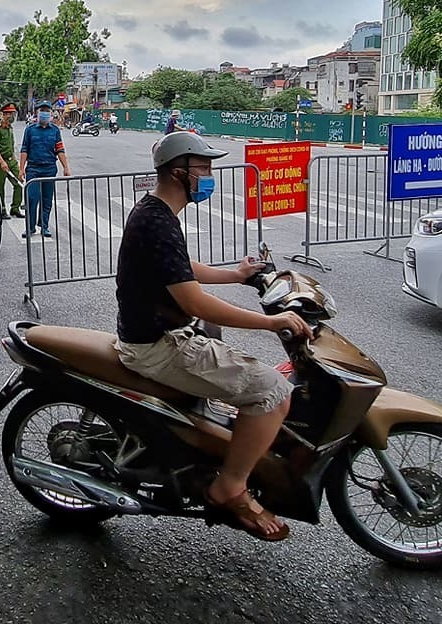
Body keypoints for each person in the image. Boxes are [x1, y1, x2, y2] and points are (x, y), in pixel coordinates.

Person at [114, 131, 308, 539]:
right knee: (274, 392)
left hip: (158, 332)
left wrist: (236, 275)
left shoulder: (157, 213)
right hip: (160, 345)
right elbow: (195, 303)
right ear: (177, 172)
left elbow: (180, 266)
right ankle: (229, 486)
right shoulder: (157, 222)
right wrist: (272, 322)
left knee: (227, 351)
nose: (209, 176)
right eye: (203, 168)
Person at [19, 101, 70, 238]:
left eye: (47, 111)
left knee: (47, 199)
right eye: (42, 110)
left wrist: (66, 167)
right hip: (33, 169)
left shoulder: (54, 130)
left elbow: (60, 149)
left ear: (51, 113)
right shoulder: (30, 130)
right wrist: (21, 169)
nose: (45, 113)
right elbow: (24, 149)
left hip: (49, 168)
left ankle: (44, 226)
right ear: (37, 112)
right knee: (32, 198)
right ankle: (30, 228)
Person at [0, 104, 24, 220]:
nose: (12, 116)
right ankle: (2, 209)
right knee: (0, 187)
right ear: (4, 115)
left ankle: (15, 208)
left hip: (11, 161)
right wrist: (1, 162)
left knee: (19, 183)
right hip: (1, 162)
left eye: (13, 114)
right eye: (10, 114)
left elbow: (11, 145)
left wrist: (14, 159)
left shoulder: (10, 128)